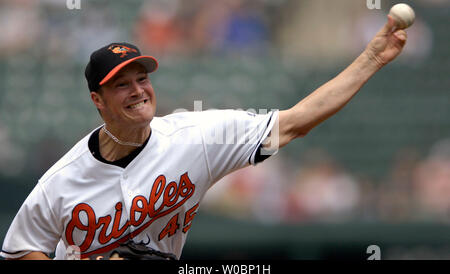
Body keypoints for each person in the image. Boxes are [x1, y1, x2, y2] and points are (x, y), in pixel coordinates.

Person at [0, 16, 407, 260]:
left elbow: (295, 122)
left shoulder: (195, 137)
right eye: (121, 84)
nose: (138, 90)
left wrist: (370, 59)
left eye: (142, 78)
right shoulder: (62, 180)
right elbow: (19, 248)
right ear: (97, 100)